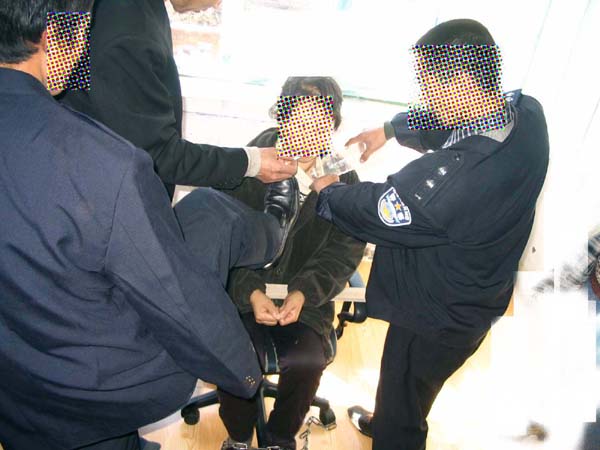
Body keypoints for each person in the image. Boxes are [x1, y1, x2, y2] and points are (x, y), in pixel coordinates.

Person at [0, 1, 298, 449]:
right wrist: (244, 372)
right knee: (211, 216)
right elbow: (173, 295)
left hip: (17, 367)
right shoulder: (109, 164)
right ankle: (274, 234)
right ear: (53, 36)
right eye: (82, 35)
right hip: (81, 384)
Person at [311, 19, 549, 450]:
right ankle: (391, 415)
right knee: (413, 386)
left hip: (439, 313)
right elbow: (450, 123)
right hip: (480, 289)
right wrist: (389, 130)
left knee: (403, 402)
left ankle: (393, 428)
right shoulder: (525, 113)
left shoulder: (465, 174)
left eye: (427, 84)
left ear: (461, 81)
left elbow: (383, 210)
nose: (423, 95)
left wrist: (328, 189)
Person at [217, 77, 366, 450]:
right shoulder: (250, 165)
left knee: (307, 360)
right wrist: (251, 292)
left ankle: (280, 438)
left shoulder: (343, 178)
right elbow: (224, 239)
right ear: (282, 117)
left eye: (320, 123)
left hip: (306, 299)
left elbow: (344, 251)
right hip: (241, 293)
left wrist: (303, 292)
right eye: (299, 120)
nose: (308, 132)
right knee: (233, 353)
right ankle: (238, 436)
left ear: (333, 125)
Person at [60, 0, 297, 200]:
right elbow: (157, 155)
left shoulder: (129, 10)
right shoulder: (130, 28)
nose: (217, 4)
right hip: (91, 194)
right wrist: (252, 163)